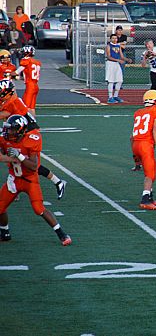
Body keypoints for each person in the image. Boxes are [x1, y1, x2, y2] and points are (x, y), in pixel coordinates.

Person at [0, 114, 72, 245]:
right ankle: (5, 232)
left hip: (29, 180)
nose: (8, 132)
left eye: (11, 129)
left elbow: (34, 166)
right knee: (0, 207)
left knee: (39, 209)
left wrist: (20, 156)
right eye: (8, 129)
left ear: (20, 130)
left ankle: (62, 234)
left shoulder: (31, 139)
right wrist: (13, 158)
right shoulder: (4, 139)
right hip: (14, 179)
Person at [0, 80, 67, 199]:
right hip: (21, 131)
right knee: (14, 156)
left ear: (7, 93)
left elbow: (3, 115)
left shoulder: (11, 103)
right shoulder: (13, 100)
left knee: (30, 165)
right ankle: (14, 184)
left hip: (28, 134)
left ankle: (57, 182)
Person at [131, 90, 156, 210]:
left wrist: (135, 156)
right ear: (155, 100)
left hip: (136, 143)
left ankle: (150, 196)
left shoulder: (138, 112)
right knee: (149, 174)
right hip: (145, 145)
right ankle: (145, 200)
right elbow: (155, 131)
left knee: (152, 169)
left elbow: (132, 136)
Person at [105, 34, 131, 104]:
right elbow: (109, 57)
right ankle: (110, 97)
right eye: (113, 38)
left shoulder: (118, 46)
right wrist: (118, 60)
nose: (114, 40)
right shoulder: (108, 46)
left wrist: (127, 59)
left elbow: (121, 56)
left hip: (116, 64)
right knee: (111, 81)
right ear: (110, 39)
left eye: (115, 38)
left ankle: (116, 96)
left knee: (119, 80)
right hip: (110, 64)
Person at [14, 46, 40, 115]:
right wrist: (18, 78)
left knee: (25, 106)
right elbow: (29, 75)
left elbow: (16, 72)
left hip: (30, 86)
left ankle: (27, 123)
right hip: (36, 86)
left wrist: (8, 74)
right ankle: (33, 122)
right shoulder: (36, 62)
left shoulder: (26, 61)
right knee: (32, 107)